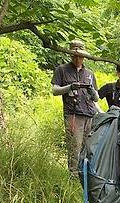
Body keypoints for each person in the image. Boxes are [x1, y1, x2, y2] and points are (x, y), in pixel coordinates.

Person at [51, 40, 101, 175]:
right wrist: (70, 87)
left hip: (89, 114)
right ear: (70, 55)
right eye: (74, 56)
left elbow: (96, 98)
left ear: (84, 56)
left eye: (80, 56)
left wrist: (90, 90)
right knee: (75, 147)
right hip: (73, 114)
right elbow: (55, 90)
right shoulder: (62, 70)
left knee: (88, 147)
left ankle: (85, 175)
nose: (77, 58)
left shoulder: (89, 73)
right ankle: (73, 176)